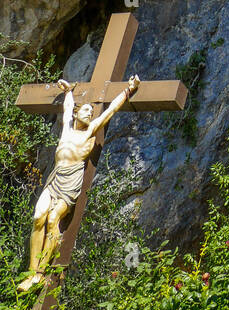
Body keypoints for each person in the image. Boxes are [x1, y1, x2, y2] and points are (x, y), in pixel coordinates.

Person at [18, 75, 139, 293]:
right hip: (54, 178)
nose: (89, 113)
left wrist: (129, 90)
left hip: (70, 182)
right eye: (85, 111)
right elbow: (67, 109)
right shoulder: (66, 130)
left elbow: (110, 110)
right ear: (76, 113)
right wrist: (68, 92)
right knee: (38, 217)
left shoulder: (90, 131)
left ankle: (39, 274)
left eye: (91, 113)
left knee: (53, 219)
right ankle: (30, 271)